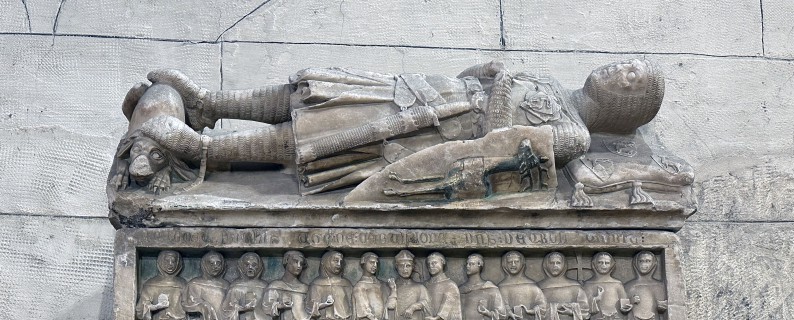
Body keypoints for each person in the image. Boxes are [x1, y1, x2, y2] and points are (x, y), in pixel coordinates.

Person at [123, 59, 665, 194]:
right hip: (428, 95)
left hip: (431, 133)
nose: (621, 69)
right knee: (315, 94)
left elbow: (502, 149)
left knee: (314, 140)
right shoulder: (548, 82)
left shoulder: (576, 136)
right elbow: (477, 73)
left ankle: (204, 152)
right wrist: (485, 76)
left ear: (627, 108)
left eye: (633, 79)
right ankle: (209, 102)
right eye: (626, 65)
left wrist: (497, 86)